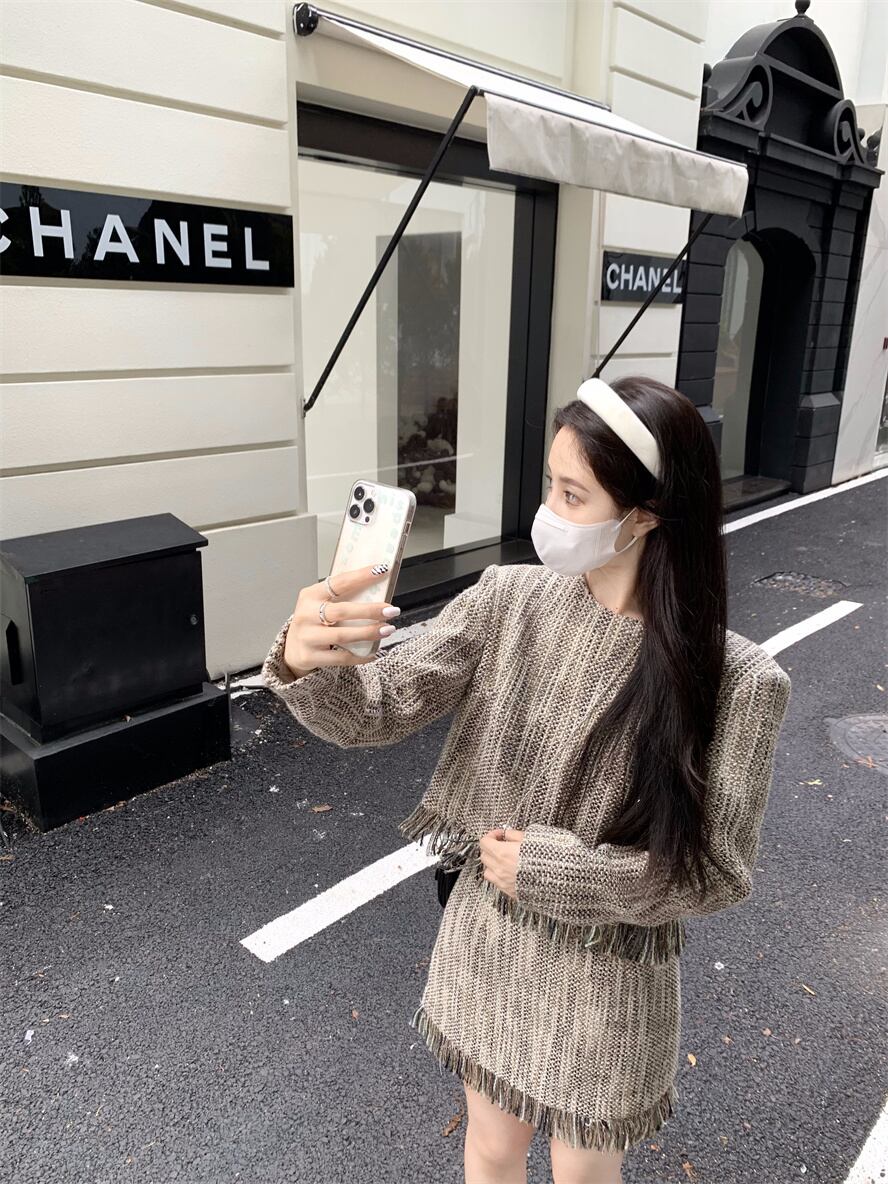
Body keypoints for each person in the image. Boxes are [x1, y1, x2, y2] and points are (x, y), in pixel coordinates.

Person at [261, 374, 793, 1184]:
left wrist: (556, 870)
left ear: (647, 515)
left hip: (609, 976)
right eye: (550, 482)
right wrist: (310, 661)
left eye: (573, 495)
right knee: (489, 1148)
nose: (549, 510)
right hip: (488, 943)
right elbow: (380, 707)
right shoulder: (507, 600)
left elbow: (716, 871)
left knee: (584, 1174)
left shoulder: (737, 681)